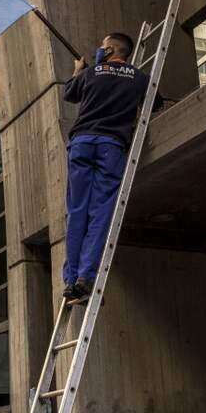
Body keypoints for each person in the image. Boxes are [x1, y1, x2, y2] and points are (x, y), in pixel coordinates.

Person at [61, 32, 162, 301]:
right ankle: (85, 277)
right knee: (101, 211)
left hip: (81, 143)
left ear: (107, 51)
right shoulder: (140, 78)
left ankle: (70, 280)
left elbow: (69, 94)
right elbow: (156, 103)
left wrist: (78, 70)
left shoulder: (91, 72)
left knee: (76, 212)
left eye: (102, 47)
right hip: (111, 147)